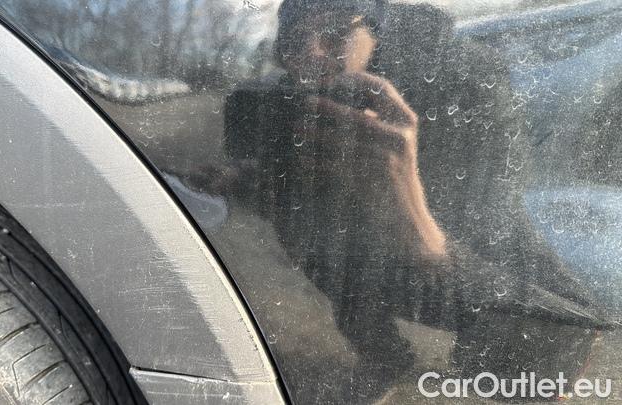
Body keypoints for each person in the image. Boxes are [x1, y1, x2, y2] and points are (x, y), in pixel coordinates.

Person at [222, 0, 613, 402]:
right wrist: (243, 180)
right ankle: (387, 360)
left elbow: (499, 221)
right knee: (314, 240)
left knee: (550, 341)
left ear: (375, 31)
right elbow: (290, 200)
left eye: (335, 31)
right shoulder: (283, 102)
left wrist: (409, 210)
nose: (312, 53)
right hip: (369, 261)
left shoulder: (465, 80)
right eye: (293, 42)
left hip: (470, 267)